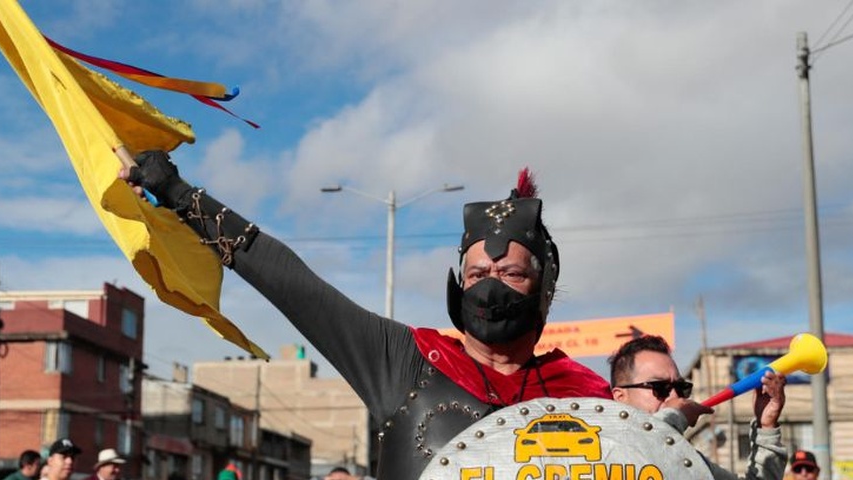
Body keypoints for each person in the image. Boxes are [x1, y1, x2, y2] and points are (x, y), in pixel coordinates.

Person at [121, 154, 611, 480]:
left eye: (509, 272)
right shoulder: (407, 362)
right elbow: (293, 284)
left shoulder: (586, 397)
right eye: (477, 270)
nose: (489, 283)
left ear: (543, 290)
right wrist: (181, 196)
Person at [608, 335, 788, 480]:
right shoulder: (599, 452)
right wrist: (674, 415)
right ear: (620, 397)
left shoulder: (688, 461)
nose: (675, 396)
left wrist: (767, 427)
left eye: (681, 388)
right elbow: (635, 446)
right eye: (659, 387)